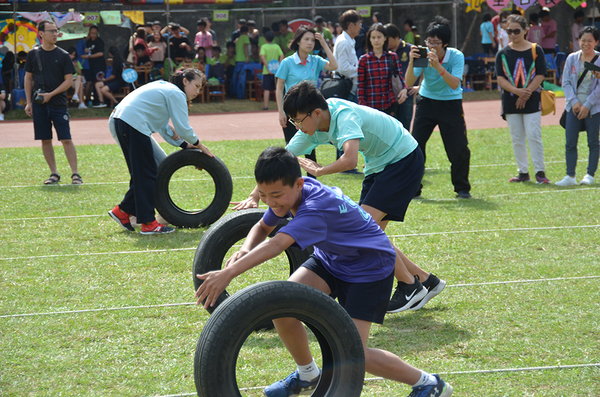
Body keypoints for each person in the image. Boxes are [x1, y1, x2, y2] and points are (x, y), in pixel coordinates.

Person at [197, 146, 454, 397]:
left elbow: (276, 244)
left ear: (298, 184)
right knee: (282, 308)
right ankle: (307, 374)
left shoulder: (314, 209)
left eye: (276, 195)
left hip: (370, 268)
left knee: (355, 352)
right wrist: (245, 249)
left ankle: (429, 384)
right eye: (264, 195)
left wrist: (228, 274)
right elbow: (262, 226)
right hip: (333, 259)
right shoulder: (290, 195)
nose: (271, 202)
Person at [234, 81, 447, 313]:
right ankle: (425, 280)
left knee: (365, 232)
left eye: (298, 120)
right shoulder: (312, 128)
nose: (297, 127)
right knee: (370, 231)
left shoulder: (343, 116)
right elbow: (278, 162)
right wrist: (255, 196)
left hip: (402, 158)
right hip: (378, 164)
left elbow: (350, 160)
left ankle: (410, 286)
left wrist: (319, 170)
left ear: (316, 113)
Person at [108, 68, 213, 234]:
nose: (198, 92)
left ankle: (122, 211)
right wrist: (200, 145)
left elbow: (164, 128)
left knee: (151, 169)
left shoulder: (165, 88)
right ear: (185, 81)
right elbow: (183, 128)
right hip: (132, 123)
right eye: (197, 86)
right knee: (147, 173)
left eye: (200, 88)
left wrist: (185, 146)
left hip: (122, 121)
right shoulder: (176, 93)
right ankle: (148, 223)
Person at [405, 16, 472, 198]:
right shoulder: (423, 53)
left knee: (458, 148)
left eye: (436, 42)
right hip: (426, 103)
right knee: (415, 146)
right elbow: (409, 81)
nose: (431, 46)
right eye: (429, 41)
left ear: (445, 44)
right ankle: (414, 188)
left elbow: (454, 84)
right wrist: (412, 62)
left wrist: (438, 66)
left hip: (450, 105)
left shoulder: (456, 56)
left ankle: (462, 188)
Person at [24, 20, 82, 185]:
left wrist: (51, 94)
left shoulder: (63, 55)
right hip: (38, 104)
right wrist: (28, 103)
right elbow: (28, 78)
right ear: (41, 33)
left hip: (58, 104)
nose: (55, 34)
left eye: (56, 31)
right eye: (51, 31)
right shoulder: (33, 54)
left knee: (66, 139)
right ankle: (54, 173)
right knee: (45, 139)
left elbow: (69, 81)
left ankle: (75, 174)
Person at [274, 26, 337, 176]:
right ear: (298, 42)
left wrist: (324, 44)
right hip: (291, 112)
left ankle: (313, 182)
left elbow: (334, 66)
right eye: (306, 39)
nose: (310, 43)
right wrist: (281, 112)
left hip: (310, 112)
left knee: (310, 149)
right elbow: (279, 88)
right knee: (292, 149)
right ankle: (292, 180)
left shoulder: (315, 60)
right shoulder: (287, 62)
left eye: (312, 40)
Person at [496, 14, 549, 184]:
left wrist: (526, 93)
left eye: (516, 31)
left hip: (532, 100)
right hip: (511, 101)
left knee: (534, 135)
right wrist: (517, 92)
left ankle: (540, 171)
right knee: (516, 137)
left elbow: (541, 74)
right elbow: (500, 78)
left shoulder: (536, 50)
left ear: (526, 30)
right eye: (509, 31)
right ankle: (523, 172)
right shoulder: (502, 53)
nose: (512, 34)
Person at [556, 26, 600, 186]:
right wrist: (574, 102)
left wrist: (587, 105)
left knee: (593, 142)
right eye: (583, 40)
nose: (586, 44)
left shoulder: (599, 59)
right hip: (573, 108)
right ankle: (570, 176)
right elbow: (565, 82)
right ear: (578, 40)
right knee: (570, 141)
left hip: (594, 108)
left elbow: (599, 87)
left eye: (590, 41)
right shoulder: (572, 58)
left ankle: (590, 175)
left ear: (596, 42)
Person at [357, 24, 407, 116]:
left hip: (390, 104)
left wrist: (404, 89)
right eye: (373, 37)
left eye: (379, 37)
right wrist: (362, 105)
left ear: (385, 38)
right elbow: (361, 85)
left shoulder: (392, 56)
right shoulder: (364, 60)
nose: (376, 40)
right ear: (370, 39)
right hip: (370, 106)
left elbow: (400, 76)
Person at [385, 23, 416, 130]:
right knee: (389, 128)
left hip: (406, 94)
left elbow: (423, 68)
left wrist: (420, 85)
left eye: (388, 40)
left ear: (397, 37)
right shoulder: (384, 52)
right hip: (389, 95)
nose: (387, 43)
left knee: (405, 128)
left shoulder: (410, 49)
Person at [81, 25, 106, 106]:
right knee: (90, 82)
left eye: (95, 33)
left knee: (97, 82)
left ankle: (97, 100)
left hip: (99, 65)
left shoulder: (100, 41)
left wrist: (89, 56)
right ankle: (88, 100)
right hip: (90, 66)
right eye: (92, 33)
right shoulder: (87, 42)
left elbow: (101, 53)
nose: (93, 35)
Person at [259, 30, 284, 110]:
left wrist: (267, 67)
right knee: (277, 88)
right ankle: (279, 106)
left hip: (267, 71)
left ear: (265, 39)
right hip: (276, 71)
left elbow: (262, 57)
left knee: (266, 89)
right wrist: (278, 66)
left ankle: (266, 106)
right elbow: (282, 55)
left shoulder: (263, 46)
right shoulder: (276, 46)